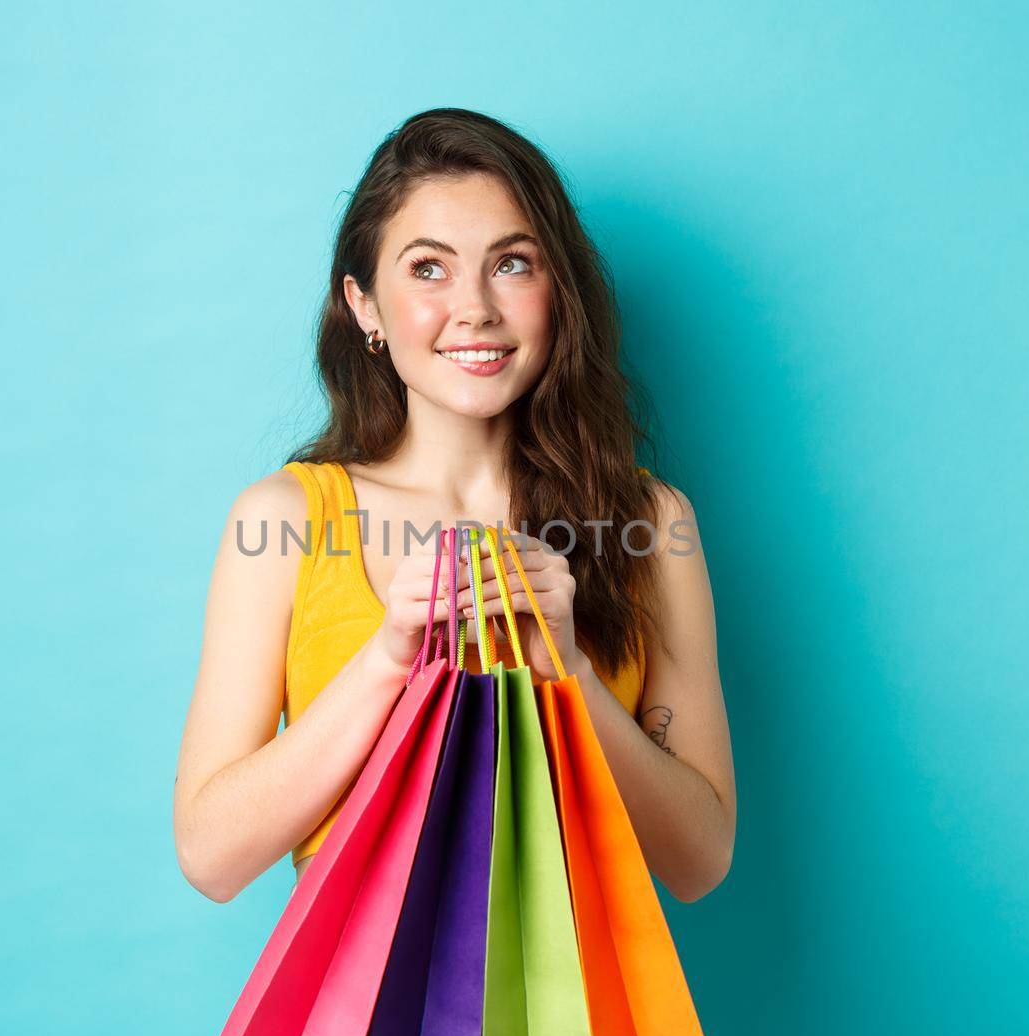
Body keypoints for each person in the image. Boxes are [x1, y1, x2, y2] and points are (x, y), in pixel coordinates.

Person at [172, 107, 735, 906]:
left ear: (556, 292)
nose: (475, 308)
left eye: (512, 263)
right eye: (428, 269)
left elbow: (700, 858)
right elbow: (209, 853)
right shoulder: (285, 520)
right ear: (364, 305)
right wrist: (388, 661)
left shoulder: (651, 524)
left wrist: (569, 671)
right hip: (365, 1029)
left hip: (588, 1029)